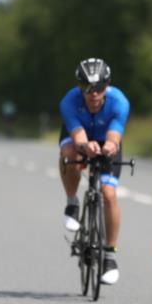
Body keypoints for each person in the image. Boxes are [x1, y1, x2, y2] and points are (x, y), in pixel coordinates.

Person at [59, 58, 130, 285]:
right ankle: (72, 202)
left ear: (107, 85)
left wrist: (110, 146)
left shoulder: (119, 101)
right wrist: (85, 147)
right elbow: (78, 137)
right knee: (71, 155)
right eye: (87, 88)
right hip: (79, 138)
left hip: (106, 139)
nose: (94, 94)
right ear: (79, 87)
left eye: (99, 88)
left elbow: (115, 135)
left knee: (108, 194)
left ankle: (109, 254)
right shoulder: (69, 101)